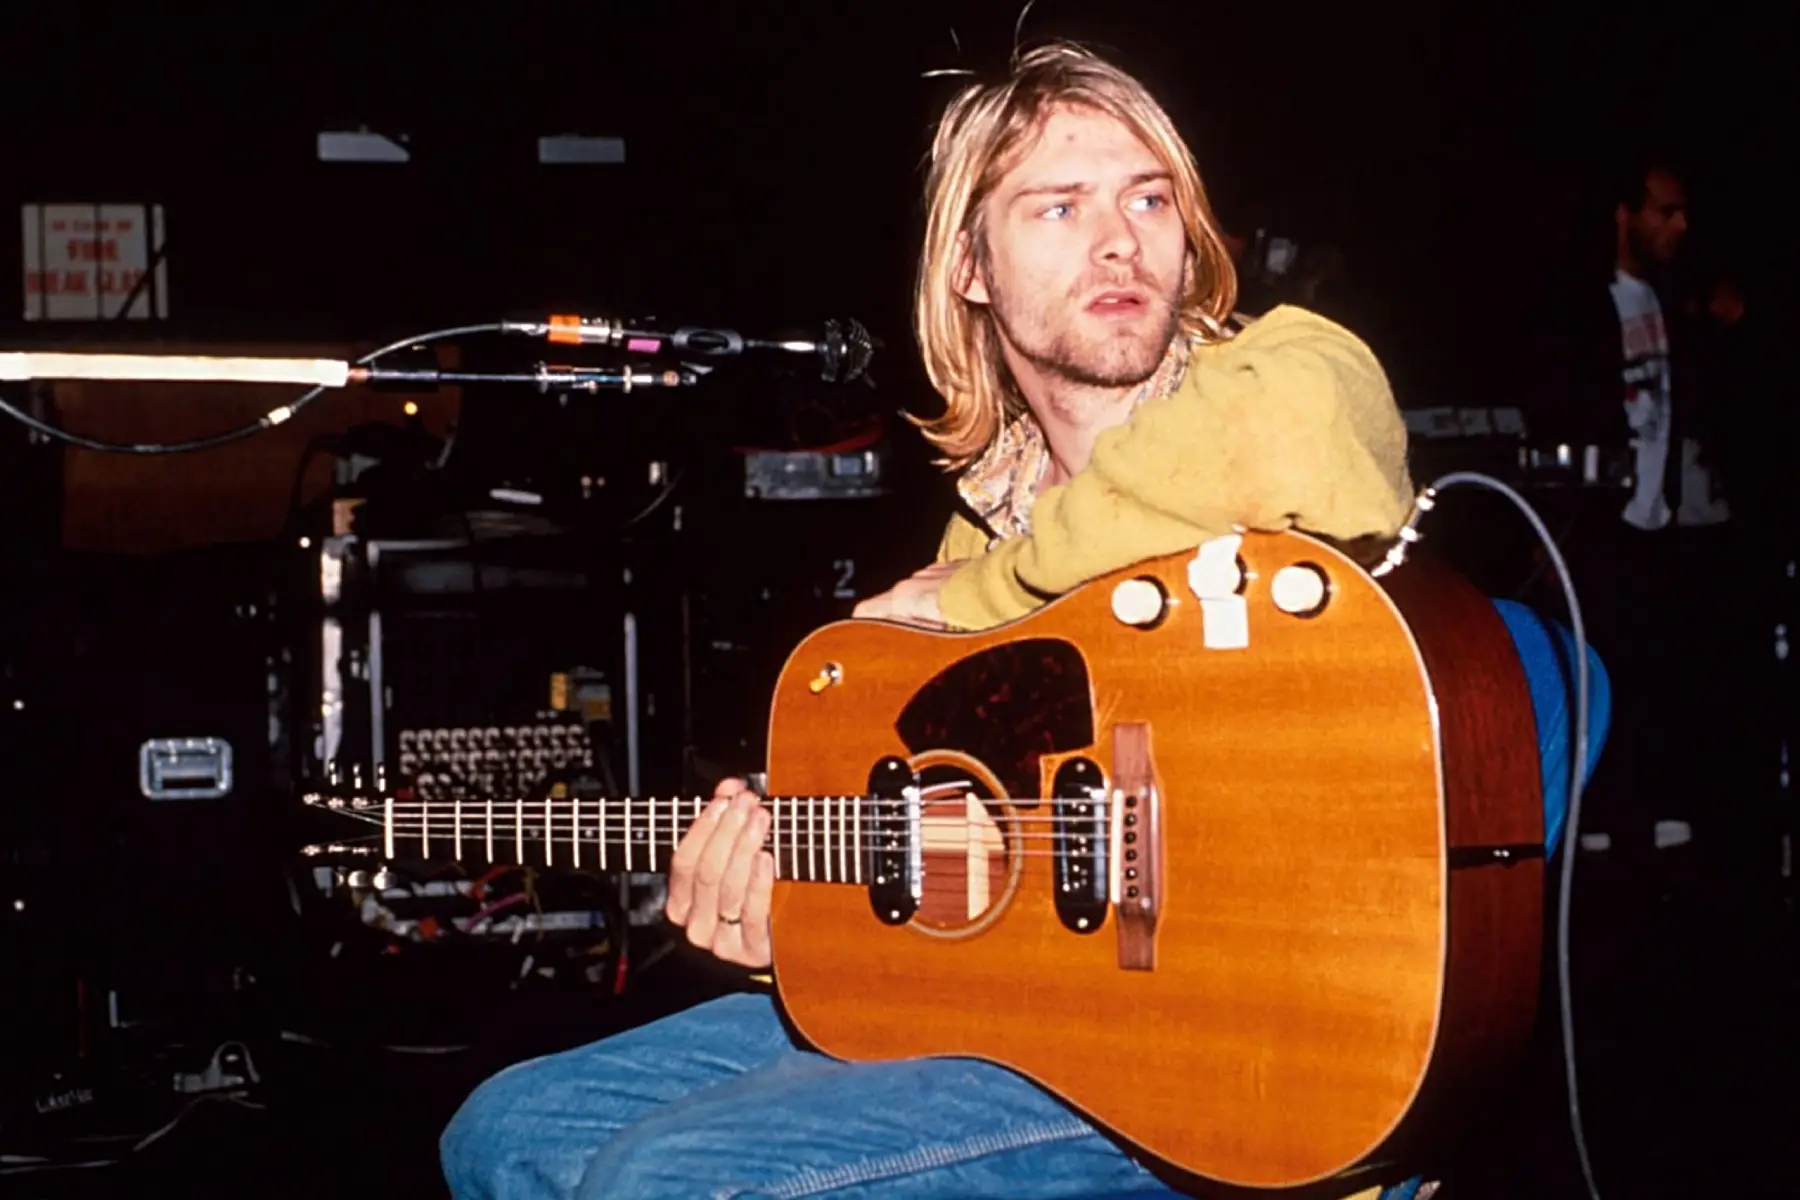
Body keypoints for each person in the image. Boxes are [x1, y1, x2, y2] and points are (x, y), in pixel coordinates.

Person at [440, 43, 1604, 1200]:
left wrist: (993, 596)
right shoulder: (971, 536)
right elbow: (983, 893)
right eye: (1059, 206)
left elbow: (1293, 434)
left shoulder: (1283, 372)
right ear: (971, 269)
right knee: (506, 1133)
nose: (1121, 241)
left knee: (662, 1182)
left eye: (1150, 199)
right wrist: (792, 924)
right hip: (1047, 1022)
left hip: (1234, 1049)